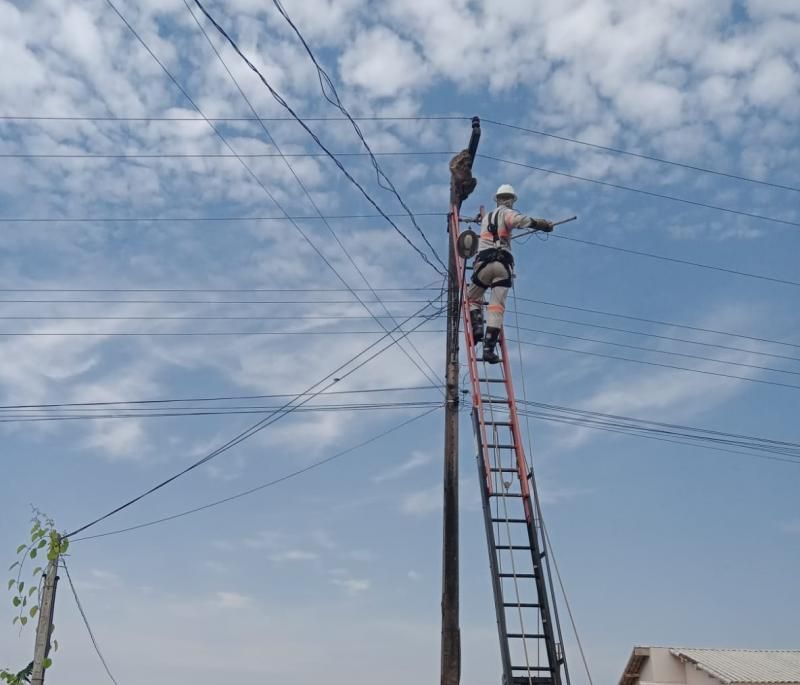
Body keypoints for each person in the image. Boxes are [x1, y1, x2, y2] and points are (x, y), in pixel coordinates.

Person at [467, 184, 555, 364]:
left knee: (472, 297)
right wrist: (542, 224)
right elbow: (518, 221)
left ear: (497, 199)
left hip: (482, 265)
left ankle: (476, 327)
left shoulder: (486, 219)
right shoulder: (507, 213)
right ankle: (489, 348)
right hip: (501, 266)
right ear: (511, 200)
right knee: (496, 307)